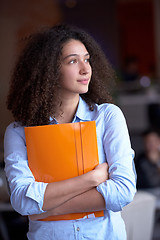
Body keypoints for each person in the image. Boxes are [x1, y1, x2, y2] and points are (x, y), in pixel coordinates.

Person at [4, 24, 136, 240]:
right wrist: (92, 178)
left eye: (87, 59)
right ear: (49, 70)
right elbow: (22, 201)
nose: (86, 69)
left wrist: (49, 208)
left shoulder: (107, 117)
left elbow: (123, 191)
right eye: (73, 61)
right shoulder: (19, 132)